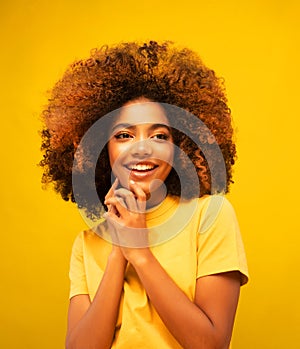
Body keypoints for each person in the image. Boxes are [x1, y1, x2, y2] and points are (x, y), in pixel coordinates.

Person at [40, 41, 249, 349]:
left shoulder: (210, 216)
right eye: (124, 135)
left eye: (159, 136)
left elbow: (211, 344)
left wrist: (139, 253)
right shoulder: (87, 244)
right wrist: (117, 252)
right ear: (102, 149)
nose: (142, 148)